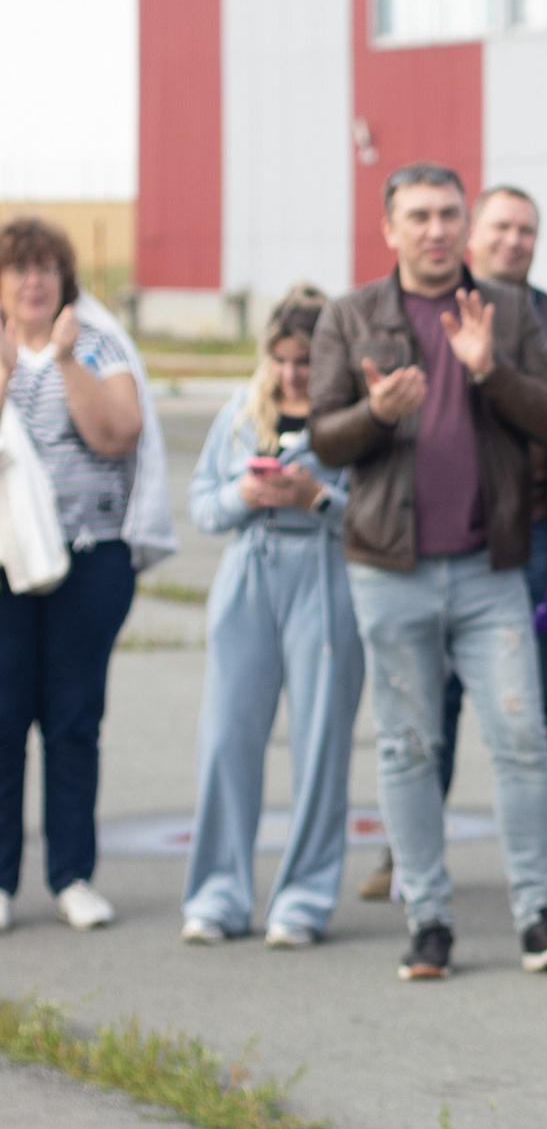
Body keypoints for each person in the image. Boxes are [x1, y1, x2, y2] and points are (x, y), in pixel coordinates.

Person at [309, 162, 547, 982]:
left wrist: (488, 370)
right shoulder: (349, 315)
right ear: (389, 227)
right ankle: (428, 919)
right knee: (407, 748)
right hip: (388, 568)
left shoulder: (503, 310)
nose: (435, 230)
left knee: (522, 740)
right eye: (419, 216)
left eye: (447, 215)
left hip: (487, 568)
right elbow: (325, 438)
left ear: (464, 226)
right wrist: (376, 414)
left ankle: (537, 912)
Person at [424, 183, 547, 907]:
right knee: (433, 703)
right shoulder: (432, 311)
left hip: (538, 539)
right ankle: (415, 851)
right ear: (473, 236)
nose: (513, 241)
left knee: (545, 702)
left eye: (526, 230)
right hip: (444, 538)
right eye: (500, 227)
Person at [0, 215, 173, 932]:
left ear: (65, 279)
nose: (34, 280)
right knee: (4, 722)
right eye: (19, 268)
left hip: (89, 559)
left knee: (73, 721)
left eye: (46, 268)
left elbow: (116, 433)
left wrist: (66, 363)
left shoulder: (98, 345)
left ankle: (72, 875)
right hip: (7, 567)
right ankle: (3, 883)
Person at [179, 288, 362, 949]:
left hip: (325, 575)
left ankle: (304, 900)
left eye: (307, 360)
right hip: (248, 575)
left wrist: (316, 498)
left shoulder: (351, 418)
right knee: (227, 737)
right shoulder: (238, 411)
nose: (293, 374)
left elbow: (377, 517)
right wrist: (243, 494)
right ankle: (217, 894)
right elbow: (201, 504)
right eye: (282, 359)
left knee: (320, 745)